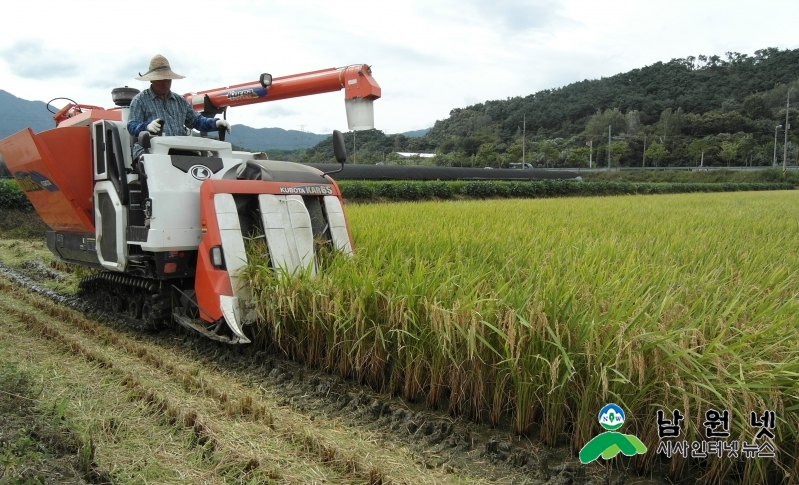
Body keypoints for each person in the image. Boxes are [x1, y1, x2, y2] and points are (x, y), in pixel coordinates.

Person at [127, 54, 231, 159]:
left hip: (180, 150)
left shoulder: (180, 101)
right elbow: (131, 126)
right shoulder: (139, 100)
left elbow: (196, 121)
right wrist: (147, 127)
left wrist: (215, 123)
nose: (165, 83)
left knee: (201, 165)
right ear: (152, 80)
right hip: (150, 152)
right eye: (161, 79)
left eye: (168, 79)